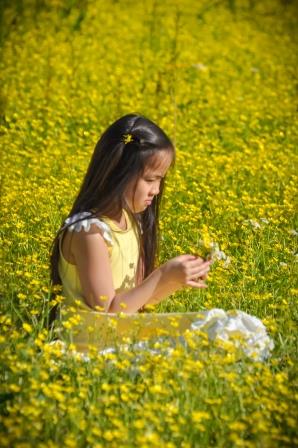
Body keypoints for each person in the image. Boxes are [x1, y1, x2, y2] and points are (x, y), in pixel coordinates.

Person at [49, 113, 212, 330]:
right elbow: (108, 314)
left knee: (217, 326)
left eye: (161, 179)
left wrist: (177, 278)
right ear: (118, 172)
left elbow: (140, 299)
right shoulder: (89, 233)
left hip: (122, 337)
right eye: (150, 179)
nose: (157, 190)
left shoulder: (132, 222)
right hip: (88, 345)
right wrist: (163, 274)